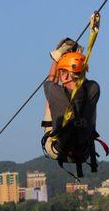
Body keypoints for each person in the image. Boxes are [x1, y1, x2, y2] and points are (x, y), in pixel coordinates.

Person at [42, 39, 104, 177]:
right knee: (87, 105)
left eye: (62, 71)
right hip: (84, 152)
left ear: (64, 74)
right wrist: (78, 61)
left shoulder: (55, 93)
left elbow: (51, 80)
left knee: (49, 101)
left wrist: (57, 57)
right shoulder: (94, 88)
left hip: (57, 150)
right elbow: (84, 81)